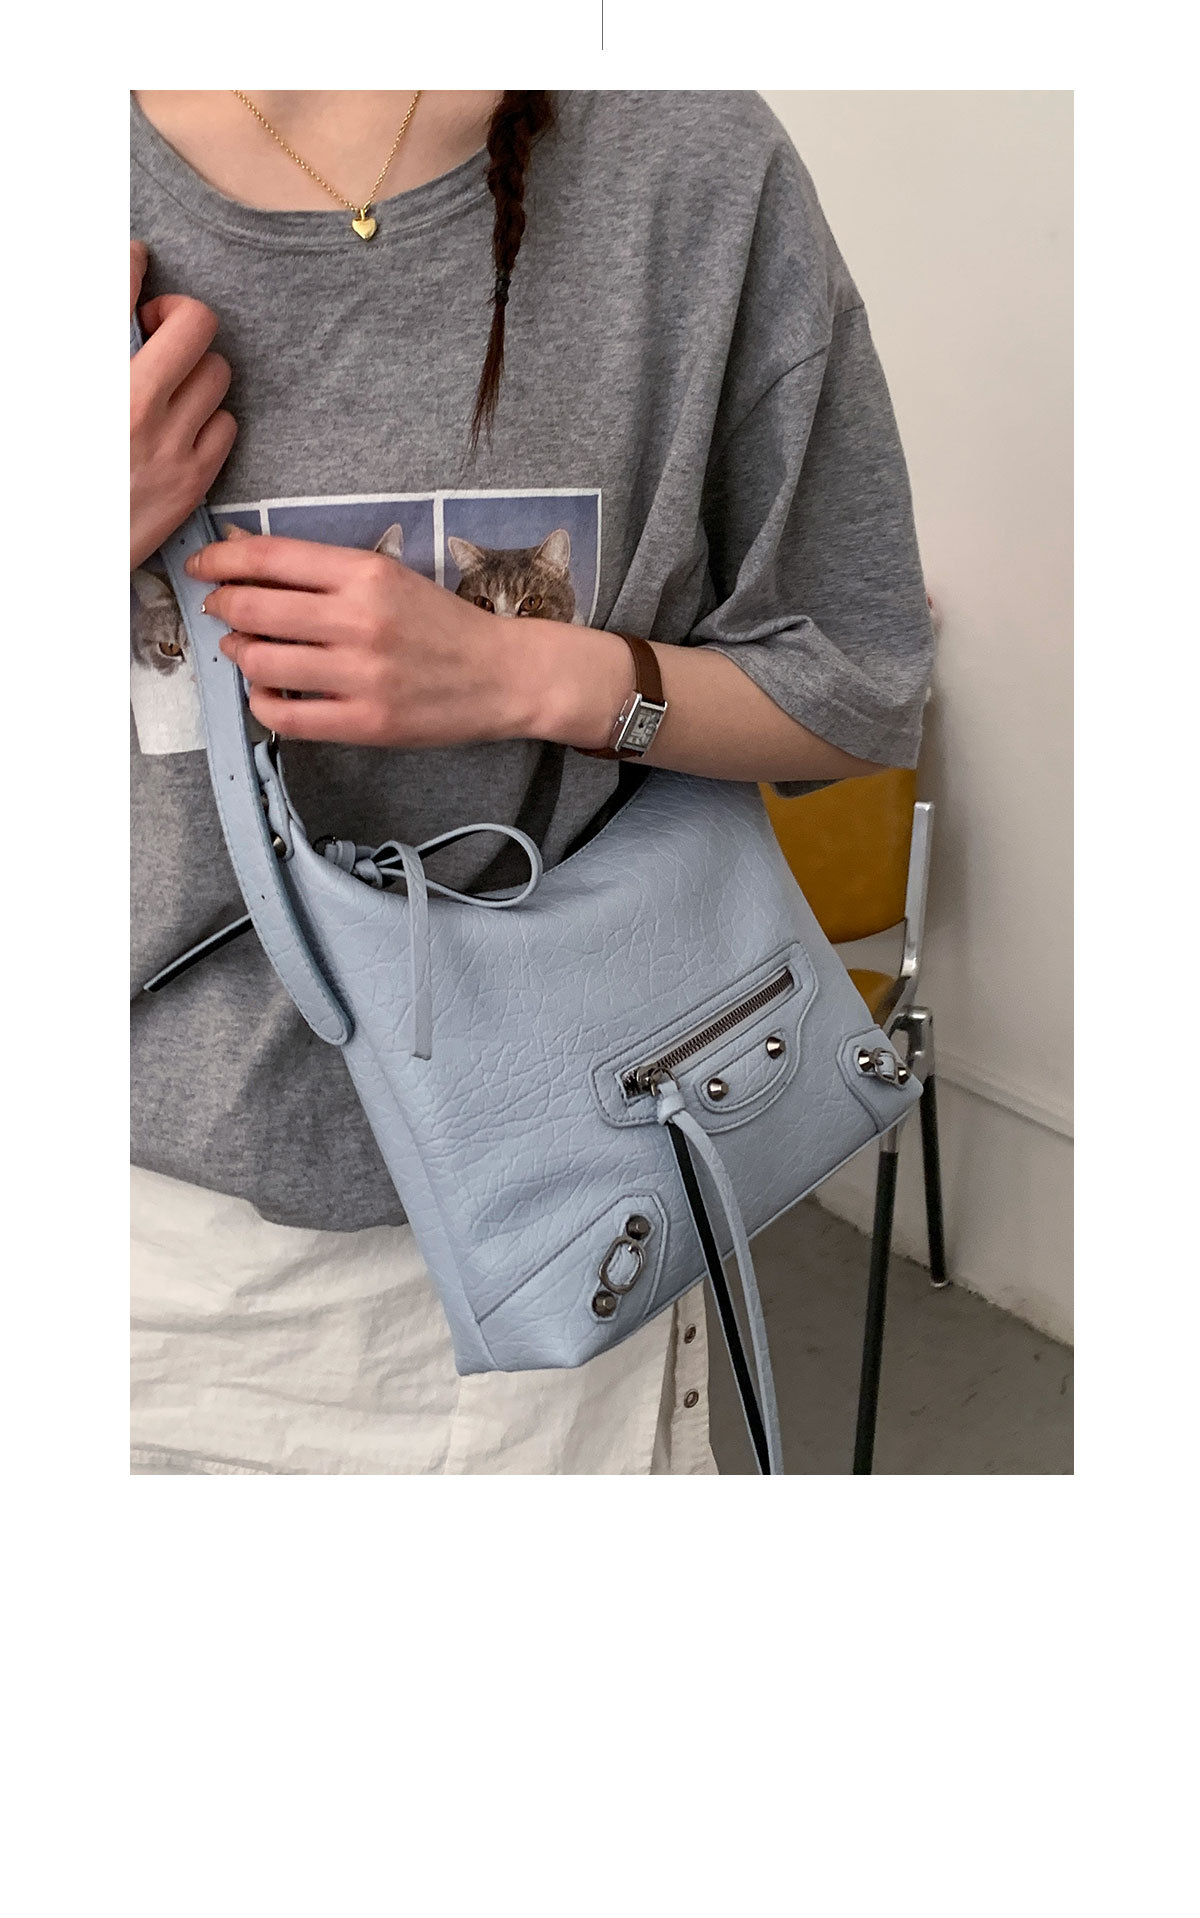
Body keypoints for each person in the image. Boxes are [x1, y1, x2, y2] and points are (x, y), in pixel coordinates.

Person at [129, 89, 934, 1475]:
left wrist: (527, 677)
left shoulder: (687, 163)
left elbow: (857, 693)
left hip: (581, 1219)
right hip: (141, 1260)